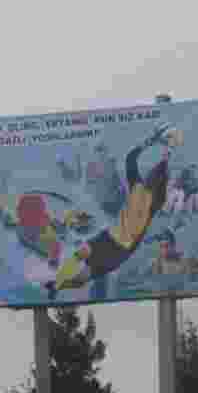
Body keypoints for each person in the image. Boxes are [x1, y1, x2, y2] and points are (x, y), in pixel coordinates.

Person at [46, 123, 180, 297]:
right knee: (81, 253)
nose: (149, 176)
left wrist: (168, 153)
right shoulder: (137, 186)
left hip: (120, 251)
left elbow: (162, 169)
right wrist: (151, 140)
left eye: (154, 176)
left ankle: (58, 286)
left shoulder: (155, 203)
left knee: (82, 279)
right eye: (151, 174)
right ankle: (56, 284)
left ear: (157, 184)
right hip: (108, 236)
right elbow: (131, 159)